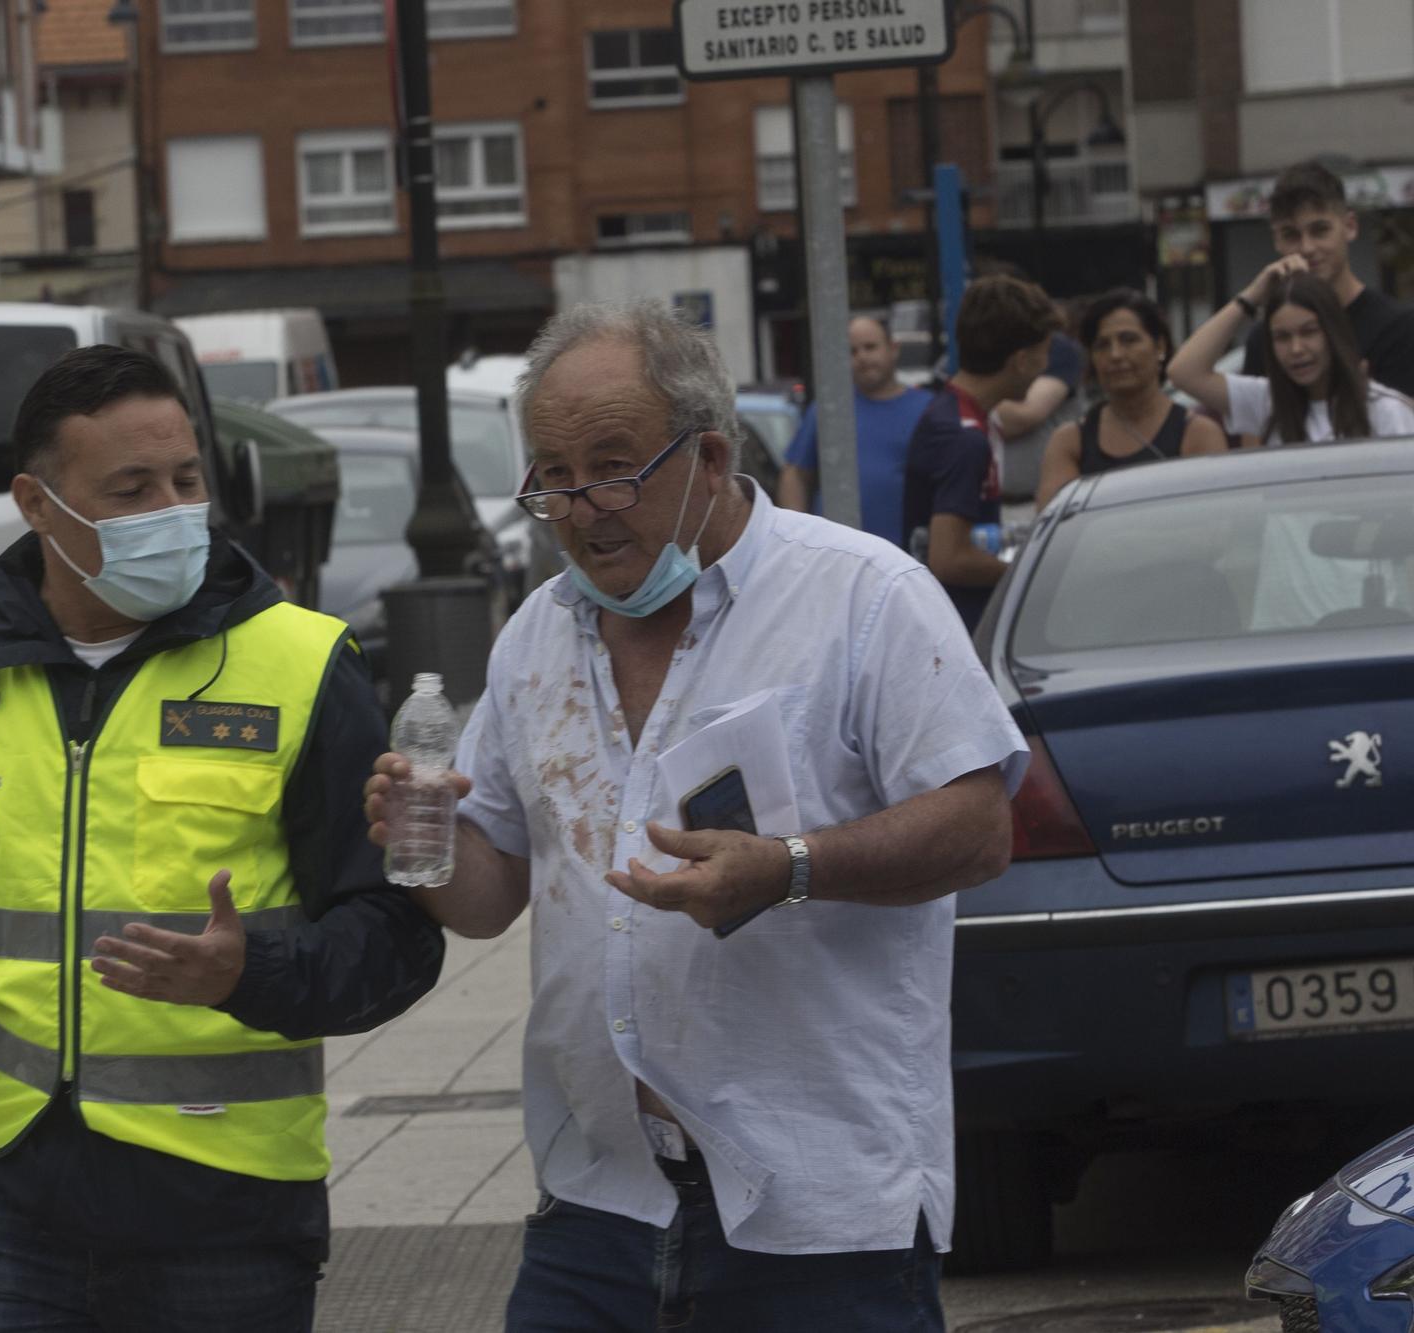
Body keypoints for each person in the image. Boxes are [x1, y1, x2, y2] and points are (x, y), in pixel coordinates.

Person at [366, 300, 1026, 1330]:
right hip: (598, 1202)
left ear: (710, 456)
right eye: (552, 475)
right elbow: (491, 897)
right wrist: (428, 838)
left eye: (613, 466)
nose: (582, 508)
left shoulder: (861, 597)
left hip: (816, 1213)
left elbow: (980, 826)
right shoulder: (535, 636)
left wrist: (788, 866)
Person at [0, 345, 444, 1332]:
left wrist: (250, 969)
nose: (172, 510)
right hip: (3, 1197)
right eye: (130, 487)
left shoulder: (300, 661)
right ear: (36, 504)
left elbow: (398, 935)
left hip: (226, 1214)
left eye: (186, 480)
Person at [901, 275, 1064, 629]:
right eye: (1044, 353)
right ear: (1021, 361)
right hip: (954, 626)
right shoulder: (964, 437)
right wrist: (1030, 577)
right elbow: (949, 558)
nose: (1045, 367)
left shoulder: (961, 415)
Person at [1169, 256, 1414, 447]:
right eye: (1282, 337)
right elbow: (1183, 371)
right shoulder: (1267, 402)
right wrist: (1252, 296)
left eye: (1309, 332)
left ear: (1333, 333)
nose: (1296, 349)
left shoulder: (1385, 410)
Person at [1240, 160, 1414, 401]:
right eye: (1291, 235)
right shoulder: (1265, 338)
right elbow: (1254, 435)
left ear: (1350, 226)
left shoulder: (1398, 328)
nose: (1307, 247)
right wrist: (1248, 299)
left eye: (1319, 230)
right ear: (1276, 241)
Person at [1036, 289, 1227, 507]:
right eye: (1102, 345)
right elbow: (1055, 525)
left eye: (1129, 340)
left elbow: (1213, 520)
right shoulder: (1070, 441)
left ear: (1160, 346)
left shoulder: (1197, 433)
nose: (1116, 354)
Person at [775, 313, 930, 543]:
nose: (862, 357)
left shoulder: (927, 409)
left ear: (893, 349)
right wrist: (796, 538)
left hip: (905, 556)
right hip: (835, 557)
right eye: (852, 351)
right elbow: (796, 473)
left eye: (870, 347)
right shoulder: (829, 410)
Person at [990, 325, 1085, 503]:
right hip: (993, 505)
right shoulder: (980, 349)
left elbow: (1023, 415)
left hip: (1046, 502)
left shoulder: (1054, 348)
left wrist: (975, 399)